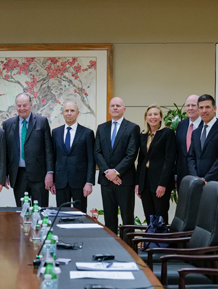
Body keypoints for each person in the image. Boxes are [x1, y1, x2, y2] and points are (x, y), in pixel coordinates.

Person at [94, 97, 140, 234]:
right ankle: (111, 245)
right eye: (112, 106)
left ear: (124, 109)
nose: (115, 108)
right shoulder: (101, 128)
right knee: (109, 218)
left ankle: (128, 246)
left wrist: (117, 171)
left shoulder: (132, 128)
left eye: (118, 106)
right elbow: (97, 152)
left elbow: (131, 154)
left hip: (125, 180)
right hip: (106, 180)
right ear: (109, 109)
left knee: (127, 218)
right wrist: (108, 173)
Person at [2, 93, 53, 207]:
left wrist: (49, 173)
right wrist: (4, 174)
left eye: (25, 105)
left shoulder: (42, 121)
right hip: (18, 175)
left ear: (31, 105)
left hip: (39, 175)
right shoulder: (7, 124)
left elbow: (48, 150)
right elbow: (5, 152)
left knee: (40, 209)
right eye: (19, 106)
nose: (22, 108)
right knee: (22, 211)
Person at [135, 105, 176, 225]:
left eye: (156, 114)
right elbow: (141, 160)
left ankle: (161, 237)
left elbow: (169, 160)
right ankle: (151, 237)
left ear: (161, 117)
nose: (153, 117)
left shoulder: (167, 133)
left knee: (160, 216)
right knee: (149, 216)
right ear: (146, 118)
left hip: (160, 181)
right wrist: (138, 183)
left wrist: (162, 184)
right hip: (145, 181)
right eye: (150, 115)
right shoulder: (143, 135)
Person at [51, 101, 95, 213]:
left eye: (72, 111)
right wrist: (53, 181)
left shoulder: (87, 133)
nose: (69, 113)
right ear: (62, 113)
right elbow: (53, 157)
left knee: (80, 215)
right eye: (66, 111)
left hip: (80, 182)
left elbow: (91, 160)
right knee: (62, 215)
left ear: (77, 113)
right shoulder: (55, 132)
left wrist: (89, 182)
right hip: (61, 182)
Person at [187, 94, 218, 184]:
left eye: (207, 107)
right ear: (198, 110)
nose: (204, 111)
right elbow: (191, 157)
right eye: (201, 108)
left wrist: (206, 179)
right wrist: (196, 179)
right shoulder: (196, 132)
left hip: (217, 183)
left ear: (214, 109)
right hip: (197, 183)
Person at [175, 95, 201, 193]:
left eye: (193, 105)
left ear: (199, 107)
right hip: (182, 176)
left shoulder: (205, 126)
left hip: (200, 175)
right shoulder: (181, 125)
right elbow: (178, 151)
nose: (190, 108)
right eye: (188, 105)